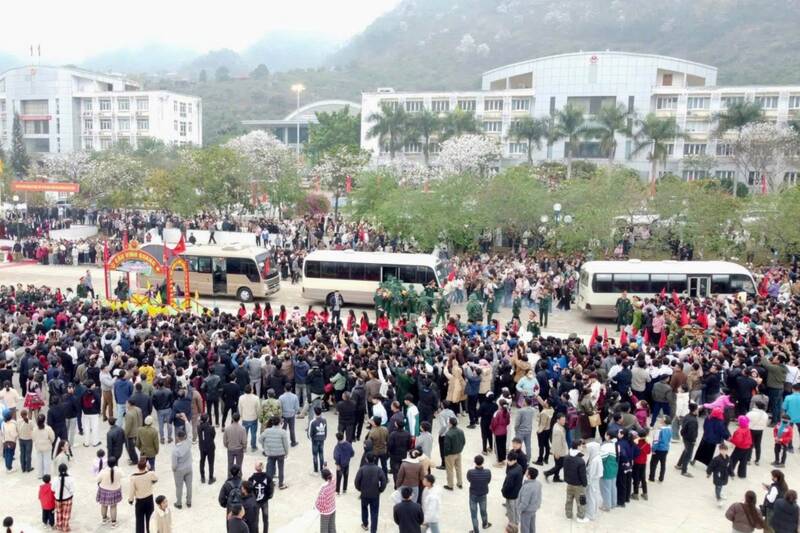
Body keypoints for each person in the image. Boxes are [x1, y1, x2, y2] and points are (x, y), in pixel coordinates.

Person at [355, 453, 387, 533]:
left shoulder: (362, 469)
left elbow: (356, 482)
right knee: (374, 512)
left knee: (364, 509)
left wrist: (360, 489)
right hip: (375, 494)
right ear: (374, 459)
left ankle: (365, 524)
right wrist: (380, 490)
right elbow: (384, 481)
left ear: (366, 459)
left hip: (364, 494)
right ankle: (373, 530)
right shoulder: (378, 469)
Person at [129, 457, 158, 533]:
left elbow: (132, 490)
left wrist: (130, 500)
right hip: (149, 500)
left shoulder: (133, 477)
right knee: (150, 520)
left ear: (137, 467)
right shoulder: (150, 474)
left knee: (139, 522)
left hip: (140, 501)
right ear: (146, 466)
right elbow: (156, 479)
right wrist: (149, 469)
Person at [260, 416, 289, 489]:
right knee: (281, 468)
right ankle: (281, 484)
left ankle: (269, 484)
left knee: (270, 468)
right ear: (279, 423)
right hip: (280, 453)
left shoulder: (267, 431)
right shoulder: (283, 432)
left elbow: (260, 439)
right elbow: (286, 444)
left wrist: (265, 447)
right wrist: (286, 453)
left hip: (270, 453)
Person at [563, 441, 588, 522]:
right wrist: (585, 484)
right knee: (581, 501)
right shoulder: (580, 461)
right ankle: (580, 517)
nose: (582, 447)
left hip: (569, 483)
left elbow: (565, 470)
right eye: (581, 445)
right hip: (578, 485)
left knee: (569, 500)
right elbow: (583, 475)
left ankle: (568, 515)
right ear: (578, 447)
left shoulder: (566, 457)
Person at [466, 455, 492, 533]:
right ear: (483, 462)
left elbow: (469, 480)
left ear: (475, 462)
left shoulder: (470, 472)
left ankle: (476, 530)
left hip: (473, 494)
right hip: (483, 494)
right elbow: (488, 481)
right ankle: (485, 524)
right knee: (483, 510)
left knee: (474, 514)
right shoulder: (487, 472)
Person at [96, 456, 123, 527]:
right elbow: (123, 475)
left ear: (107, 463)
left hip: (104, 490)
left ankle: (104, 519)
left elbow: (97, 479)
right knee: (113, 506)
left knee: (103, 505)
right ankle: (113, 523)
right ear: (115, 463)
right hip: (115, 490)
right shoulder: (119, 470)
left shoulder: (103, 471)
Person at [501, 451, 525, 532]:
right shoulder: (519, 467)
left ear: (515, 460)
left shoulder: (512, 473)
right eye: (508, 460)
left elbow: (508, 486)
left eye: (510, 460)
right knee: (514, 509)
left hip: (511, 495)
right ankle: (516, 522)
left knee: (512, 510)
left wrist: (503, 491)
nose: (508, 462)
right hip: (517, 491)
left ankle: (513, 525)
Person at [248, 462, 273, 533]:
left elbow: (249, 489)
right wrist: (268, 496)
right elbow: (271, 488)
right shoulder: (267, 478)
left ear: (255, 468)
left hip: (255, 502)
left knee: (255, 520)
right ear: (262, 468)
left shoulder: (251, 478)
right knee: (266, 519)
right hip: (265, 501)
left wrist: (252, 498)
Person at [171, 430, 193, 509]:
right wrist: (186, 421)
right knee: (189, 485)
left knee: (179, 487)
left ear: (177, 437)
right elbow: (190, 433)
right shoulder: (188, 443)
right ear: (184, 437)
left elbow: (174, 464)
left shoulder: (175, 450)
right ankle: (189, 502)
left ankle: (179, 503)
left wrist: (173, 469)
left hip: (179, 470)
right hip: (189, 468)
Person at [675, 402, 699, 477]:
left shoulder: (687, 416)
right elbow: (692, 432)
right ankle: (684, 471)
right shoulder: (693, 420)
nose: (698, 410)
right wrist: (693, 440)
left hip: (685, 437)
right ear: (694, 410)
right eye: (697, 409)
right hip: (689, 439)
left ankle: (679, 464)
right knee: (688, 455)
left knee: (686, 450)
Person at [442, 417, 465, 490]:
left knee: (450, 470)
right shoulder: (461, 431)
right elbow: (464, 442)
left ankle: (450, 485)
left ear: (450, 424)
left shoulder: (448, 434)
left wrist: (446, 454)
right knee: (458, 468)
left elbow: (447, 447)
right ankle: (460, 483)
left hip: (450, 454)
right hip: (458, 453)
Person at [544, 413, 567, 482]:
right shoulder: (558, 430)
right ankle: (547, 473)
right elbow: (556, 443)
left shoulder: (557, 425)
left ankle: (556, 477)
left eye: (564, 420)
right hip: (559, 451)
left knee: (558, 465)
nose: (564, 422)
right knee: (560, 465)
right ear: (558, 420)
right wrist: (556, 453)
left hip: (560, 450)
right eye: (562, 420)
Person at [707, 443, 731, 508]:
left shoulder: (728, 458)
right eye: (722, 450)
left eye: (725, 450)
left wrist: (731, 473)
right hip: (718, 474)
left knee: (721, 485)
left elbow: (729, 466)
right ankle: (718, 498)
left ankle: (719, 493)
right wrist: (709, 473)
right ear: (720, 450)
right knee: (718, 486)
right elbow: (711, 466)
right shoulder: (716, 459)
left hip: (724, 474)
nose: (723, 451)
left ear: (727, 450)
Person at [649, 415, 671, 482]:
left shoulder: (659, 430)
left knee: (653, 463)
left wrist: (653, 449)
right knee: (663, 464)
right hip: (665, 448)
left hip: (658, 449)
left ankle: (651, 477)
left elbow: (656, 441)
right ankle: (661, 478)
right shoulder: (670, 429)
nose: (660, 419)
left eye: (662, 419)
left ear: (664, 421)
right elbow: (669, 439)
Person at [32, 414, 55, 479]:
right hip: (47, 447)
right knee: (47, 461)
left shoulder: (34, 429)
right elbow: (52, 438)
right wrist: (50, 442)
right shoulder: (48, 428)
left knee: (39, 461)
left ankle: (40, 475)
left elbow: (33, 437)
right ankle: (47, 474)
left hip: (38, 447)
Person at [238, 384, 260, 452]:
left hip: (245, 418)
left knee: (245, 434)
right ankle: (253, 447)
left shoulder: (241, 398)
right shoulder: (256, 398)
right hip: (253, 418)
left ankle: (244, 447)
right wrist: (258, 416)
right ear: (252, 390)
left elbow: (240, 408)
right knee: (253, 433)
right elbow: (258, 409)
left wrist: (241, 415)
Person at [307, 406, 328, 475]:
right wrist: (324, 437)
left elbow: (310, 433)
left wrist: (311, 439)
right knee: (321, 453)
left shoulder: (312, 422)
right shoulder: (324, 420)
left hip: (315, 440)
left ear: (315, 413)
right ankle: (322, 469)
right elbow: (325, 430)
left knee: (315, 454)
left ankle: (316, 470)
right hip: (322, 439)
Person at [314, 468, 337, 533]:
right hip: (333, 508)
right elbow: (332, 473)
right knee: (332, 527)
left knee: (324, 529)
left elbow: (319, 504)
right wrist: (326, 467)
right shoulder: (334, 481)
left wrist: (315, 506)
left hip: (326, 513)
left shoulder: (323, 490)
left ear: (323, 478)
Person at [746, 401, 768, 466]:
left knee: (750, 444)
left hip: (751, 430)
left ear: (756, 406)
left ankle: (748, 459)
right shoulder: (765, 415)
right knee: (758, 445)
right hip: (760, 430)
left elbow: (746, 421)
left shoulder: (750, 413)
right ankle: (757, 460)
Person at [54, 463, 75, 532]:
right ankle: (65, 527)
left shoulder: (55, 479)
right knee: (66, 514)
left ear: (58, 470)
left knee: (59, 512)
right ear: (66, 470)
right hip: (67, 499)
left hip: (57, 499)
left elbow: (53, 489)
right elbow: (72, 490)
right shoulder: (70, 479)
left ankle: (59, 526)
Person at [198, 413, 217, 484]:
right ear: (207, 419)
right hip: (210, 447)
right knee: (211, 463)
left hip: (202, 447)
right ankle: (210, 478)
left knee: (202, 461)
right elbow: (213, 436)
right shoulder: (211, 428)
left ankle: (202, 477)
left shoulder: (198, 427)